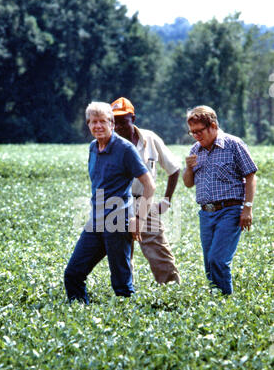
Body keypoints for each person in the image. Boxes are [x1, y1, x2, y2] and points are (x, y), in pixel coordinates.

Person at [64, 102, 155, 305]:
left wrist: (138, 218)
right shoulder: (92, 148)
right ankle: (80, 317)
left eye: (102, 121)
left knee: (121, 283)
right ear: (88, 124)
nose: (97, 126)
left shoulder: (125, 149)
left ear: (112, 123)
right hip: (95, 221)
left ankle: (130, 326)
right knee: (73, 274)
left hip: (118, 221)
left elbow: (150, 185)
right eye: (93, 122)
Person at [183, 105, 258, 295]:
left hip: (230, 210)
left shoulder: (233, 144)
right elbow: (188, 184)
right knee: (209, 263)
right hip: (206, 213)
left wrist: (247, 208)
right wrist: (188, 168)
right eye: (193, 133)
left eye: (199, 131)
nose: (196, 136)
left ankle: (225, 303)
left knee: (218, 259)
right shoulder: (195, 149)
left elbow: (250, 175)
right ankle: (215, 303)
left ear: (213, 125)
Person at [111, 97, 181, 285]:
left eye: (122, 121)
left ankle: (171, 292)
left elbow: (174, 169)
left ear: (133, 118)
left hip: (145, 201)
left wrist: (166, 200)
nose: (117, 127)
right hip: (118, 204)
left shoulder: (150, 138)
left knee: (159, 252)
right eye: (114, 122)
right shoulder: (109, 144)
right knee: (122, 254)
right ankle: (125, 295)